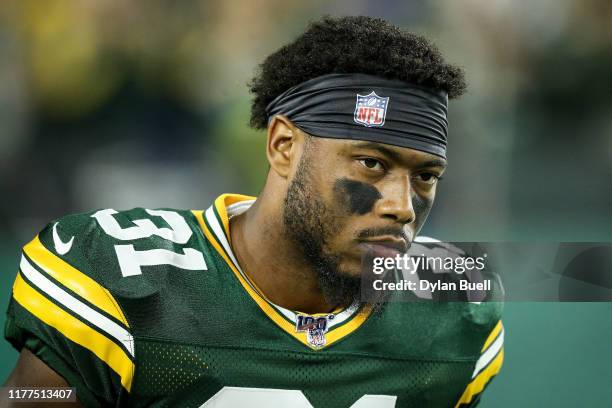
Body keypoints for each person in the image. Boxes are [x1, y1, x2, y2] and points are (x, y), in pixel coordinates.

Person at [3, 16, 503, 407]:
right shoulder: (121, 279)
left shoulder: (451, 309)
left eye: (425, 176)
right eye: (371, 163)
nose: (401, 206)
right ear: (284, 146)